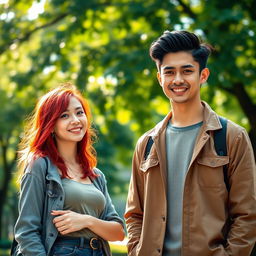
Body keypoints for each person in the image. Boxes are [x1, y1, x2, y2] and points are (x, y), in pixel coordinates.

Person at [124, 30, 256, 256]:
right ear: (159, 78)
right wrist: (137, 250)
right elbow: (134, 214)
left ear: (203, 75)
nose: (177, 80)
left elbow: (247, 215)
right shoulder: (146, 144)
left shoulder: (232, 137)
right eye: (169, 72)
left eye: (187, 71)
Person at [14, 83, 125, 256]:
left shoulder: (96, 175)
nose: (75, 120)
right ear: (50, 125)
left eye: (79, 112)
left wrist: (86, 221)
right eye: (64, 115)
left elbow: (118, 232)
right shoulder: (40, 165)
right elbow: (27, 233)